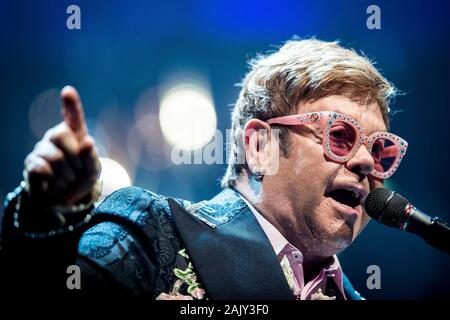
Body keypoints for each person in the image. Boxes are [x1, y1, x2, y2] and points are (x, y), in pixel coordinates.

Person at [0, 38, 407, 299]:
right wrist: (48, 213)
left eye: (382, 150)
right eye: (340, 136)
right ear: (260, 146)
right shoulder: (153, 231)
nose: (367, 162)